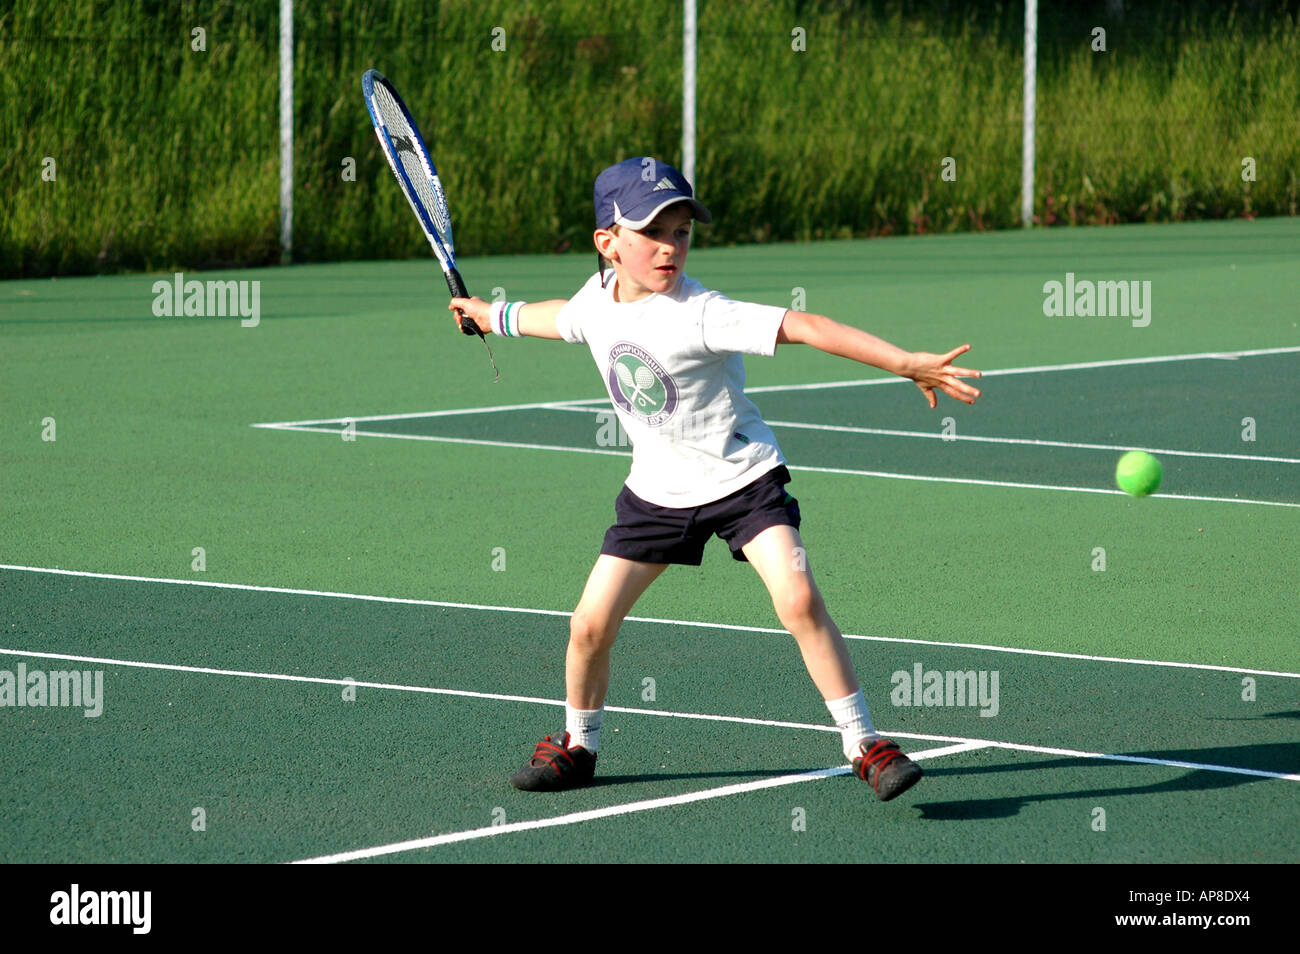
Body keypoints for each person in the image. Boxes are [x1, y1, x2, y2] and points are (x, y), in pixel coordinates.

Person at [449, 156, 981, 801]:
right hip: (655, 495)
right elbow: (556, 317)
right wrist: (490, 315)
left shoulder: (703, 312)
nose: (670, 245)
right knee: (588, 625)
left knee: (799, 601)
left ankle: (864, 742)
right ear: (607, 243)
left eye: (681, 230)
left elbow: (805, 326)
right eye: (652, 231)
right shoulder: (597, 303)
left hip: (743, 484)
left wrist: (904, 362)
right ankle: (578, 745)